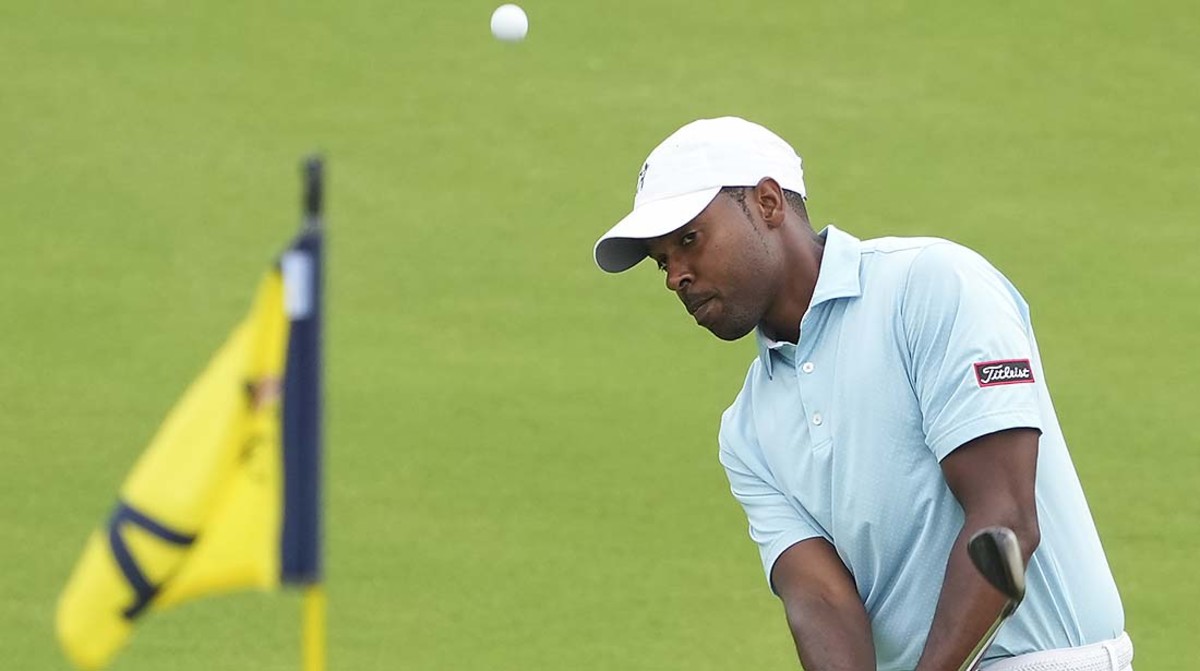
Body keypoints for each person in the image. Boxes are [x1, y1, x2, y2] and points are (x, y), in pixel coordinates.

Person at [592, 117, 1131, 670]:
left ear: (769, 203)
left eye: (689, 240)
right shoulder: (746, 432)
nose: (674, 276)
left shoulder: (932, 286)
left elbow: (1006, 521)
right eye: (663, 260)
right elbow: (821, 602)